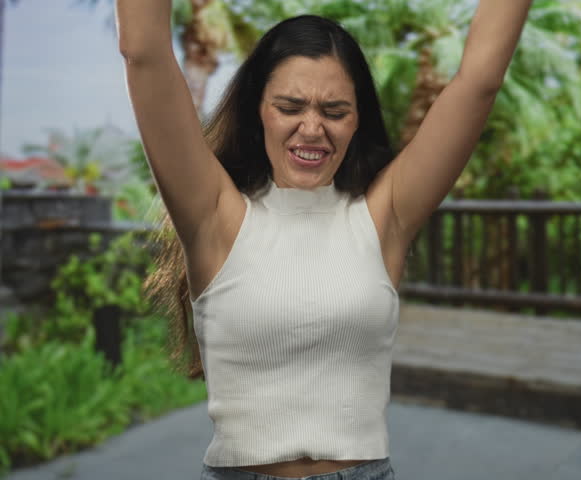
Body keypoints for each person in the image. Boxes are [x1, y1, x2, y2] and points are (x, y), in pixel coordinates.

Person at [116, 1, 533, 478]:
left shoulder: (384, 217)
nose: (312, 129)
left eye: (335, 111)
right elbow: (143, 51)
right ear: (258, 111)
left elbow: (479, 82)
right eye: (289, 107)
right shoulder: (212, 215)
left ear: (357, 120)